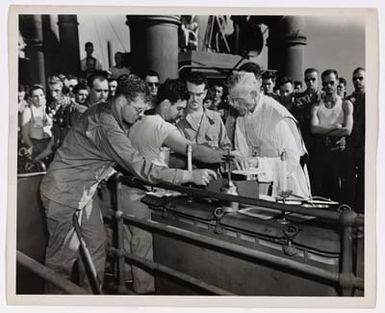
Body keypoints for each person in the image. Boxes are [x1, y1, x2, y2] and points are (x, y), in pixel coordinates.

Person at [40, 74, 216, 294]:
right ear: (122, 101)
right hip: (62, 193)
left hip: (85, 192)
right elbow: (142, 167)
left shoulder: (105, 110)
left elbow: (94, 152)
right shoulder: (107, 126)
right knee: (61, 261)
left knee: (96, 247)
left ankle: (91, 301)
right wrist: (188, 176)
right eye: (138, 110)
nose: (141, 116)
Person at [126, 79, 225, 292]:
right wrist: (226, 156)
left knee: (129, 252)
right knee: (143, 254)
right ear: (166, 103)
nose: (181, 113)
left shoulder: (138, 120)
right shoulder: (161, 126)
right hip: (144, 196)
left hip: (125, 192)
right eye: (179, 107)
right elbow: (194, 150)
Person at [227, 70, 311, 199]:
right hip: (255, 189)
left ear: (253, 94)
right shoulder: (242, 115)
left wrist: (257, 162)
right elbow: (242, 151)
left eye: (238, 100)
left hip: (286, 189)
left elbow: (292, 160)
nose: (233, 104)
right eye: (231, 99)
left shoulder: (277, 116)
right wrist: (238, 157)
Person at [310, 69, 353, 203]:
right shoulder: (317, 106)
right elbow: (313, 129)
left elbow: (347, 131)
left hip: (338, 153)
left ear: (337, 82)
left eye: (331, 82)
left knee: (338, 192)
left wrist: (322, 130)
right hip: (320, 152)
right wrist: (335, 127)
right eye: (325, 83)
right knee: (319, 192)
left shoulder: (346, 104)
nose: (328, 86)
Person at [176, 72, 231, 152]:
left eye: (198, 94)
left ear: (205, 93)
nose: (194, 99)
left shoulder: (215, 118)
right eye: (191, 94)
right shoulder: (177, 119)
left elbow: (226, 147)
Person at [346, 67, 365, 212]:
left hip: (366, 147)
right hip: (352, 146)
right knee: (350, 182)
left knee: (365, 182)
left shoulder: (373, 98)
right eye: (355, 79)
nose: (357, 81)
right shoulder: (349, 101)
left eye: (360, 78)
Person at [21, 85, 52, 158]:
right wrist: (33, 148)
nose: (39, 99)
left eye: (41, 95)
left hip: (50, 144)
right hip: (37, 145)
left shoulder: (48, 110)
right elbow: (25, 136)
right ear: (31, 98)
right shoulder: (27, 111)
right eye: (36, 96)